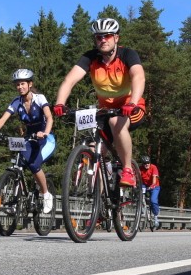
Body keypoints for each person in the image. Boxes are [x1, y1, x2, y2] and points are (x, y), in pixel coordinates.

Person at [53, 18, 146, 187]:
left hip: (131, 107)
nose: (103, 40)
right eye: (98, 37)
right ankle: (101, 206)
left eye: (107, 36)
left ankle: (127, 170)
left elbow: (138, 77)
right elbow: (69, 80)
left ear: (116, 38)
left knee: (115, 122)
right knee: (95, 149)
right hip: (106, 110)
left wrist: (132, 103)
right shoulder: (90, 57)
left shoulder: (127, 54)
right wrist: (60, 103)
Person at [0, 69, 55, 214]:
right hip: (30, 138)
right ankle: (16, 199)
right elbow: (3, 118)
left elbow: (49, 117)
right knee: (19, 161)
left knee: (33, 164)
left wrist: (45, 133)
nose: (20, 87)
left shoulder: (39, 98)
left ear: (30, 84)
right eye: (17, 85)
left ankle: (46, 194)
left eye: (23, 84)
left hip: (45, 138)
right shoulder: (16, 102)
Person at [139, 156, 161, 226]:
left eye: (148, 163)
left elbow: (154, 179)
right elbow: (137, 178)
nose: (147, 164)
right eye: (145, 163)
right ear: (142, 164)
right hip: (144, 185)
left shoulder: (153, 167)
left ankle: (156, 216)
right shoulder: (140, 169)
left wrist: (152, 185)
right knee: (139, 194)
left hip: (154, 186)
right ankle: (141, 206)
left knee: (153, 200)